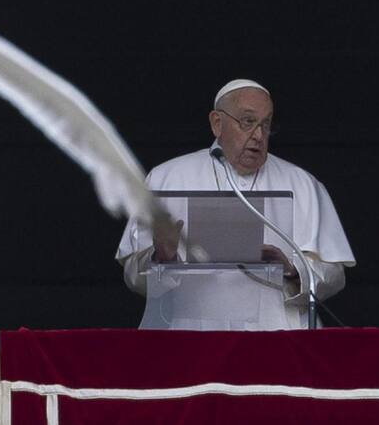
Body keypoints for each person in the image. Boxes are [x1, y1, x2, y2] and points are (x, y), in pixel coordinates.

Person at [116, 79, 355, 328]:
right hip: (191, 335)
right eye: (248, 122)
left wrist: (292, 269)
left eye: (266, 124)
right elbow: (132, 276)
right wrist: (162, 259)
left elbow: (334, 275)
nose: (259, 135)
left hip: (276, 334)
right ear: (217, 123)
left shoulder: (302, 184)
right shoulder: (165, 178)